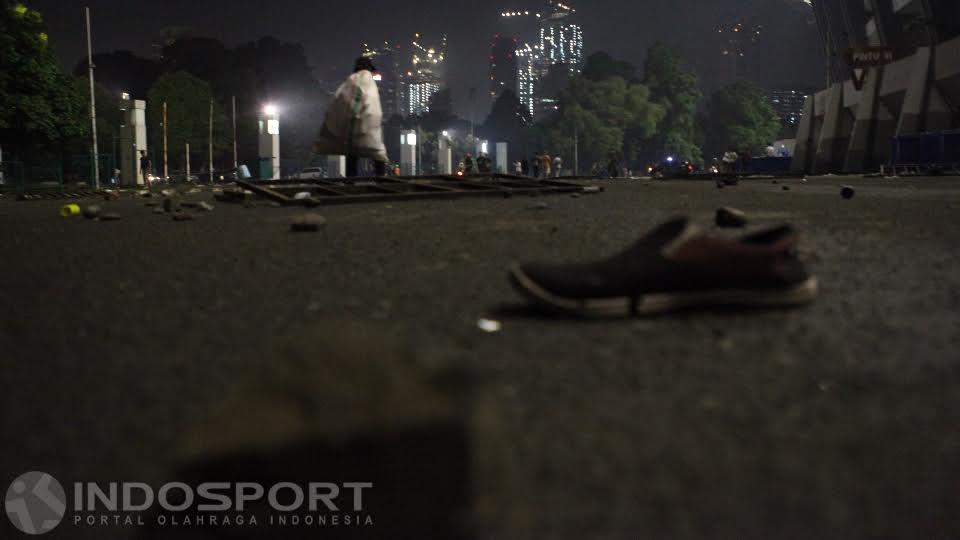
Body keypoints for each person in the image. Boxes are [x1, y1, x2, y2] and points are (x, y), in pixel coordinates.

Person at [316, 57, 389, 177]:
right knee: (378, 153)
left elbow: (341, 98)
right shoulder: (366, 78)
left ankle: (350, 182)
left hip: (356, 122)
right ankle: (381, 180)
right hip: (369, 123)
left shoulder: (353, 79)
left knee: (352, 153)